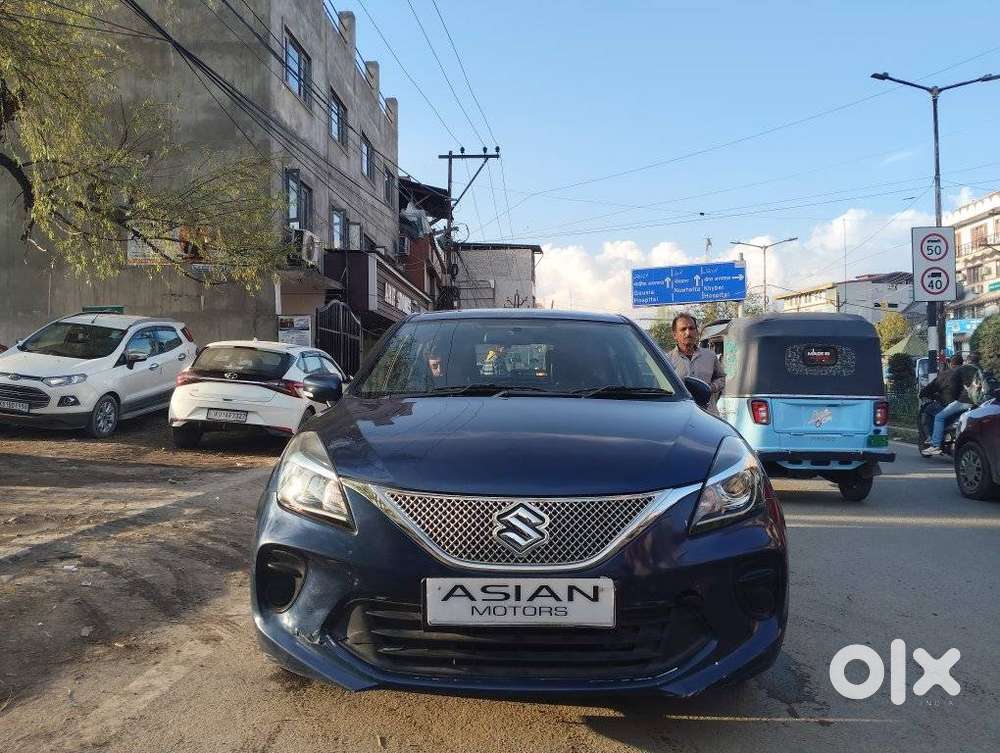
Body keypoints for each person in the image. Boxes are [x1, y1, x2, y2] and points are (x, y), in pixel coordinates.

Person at [666, 313, 726, 416]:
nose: (688, 333)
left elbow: (722, 378)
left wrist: (711, 387)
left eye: (692, 328)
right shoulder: (667, 360)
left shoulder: (710, 356)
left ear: (697, 332)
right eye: (683, 329)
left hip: (709, 415)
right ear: (675, 335)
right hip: (679, 416)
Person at [925, 354, 981, 455]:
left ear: (967, 361)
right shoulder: (982, 370)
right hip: (981, 403)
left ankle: (935, 445)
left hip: (965, 401)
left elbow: (953, 388)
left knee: (939, 417)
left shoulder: (962, 370)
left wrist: (954, 399)